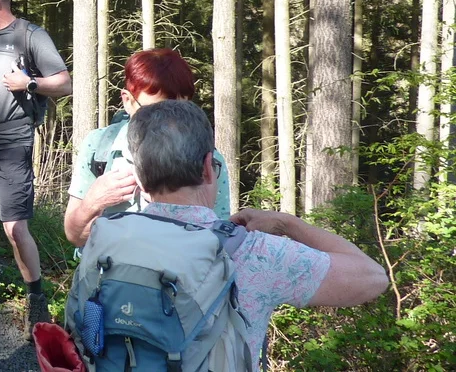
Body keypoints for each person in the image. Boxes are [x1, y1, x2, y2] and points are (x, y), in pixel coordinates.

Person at [126, 100, 388, 359]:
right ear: (208, 168)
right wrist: (287, 223)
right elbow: (373, 277)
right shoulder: (254, 253)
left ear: (139, 178)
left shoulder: (110, 244)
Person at [0, 0, 71, 336]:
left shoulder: (29, 34)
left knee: (14, 227)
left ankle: (36, 299)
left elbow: (64, 83)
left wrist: (30, 83)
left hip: (13, 139)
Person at [63, 48, 232, 247]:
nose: (168, 121)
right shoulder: (100, 146)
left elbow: (218, 242)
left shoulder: (209, 160)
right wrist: (94, 201)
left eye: (180, 109)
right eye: (154, 110)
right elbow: (74, 236)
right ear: (127, 101)